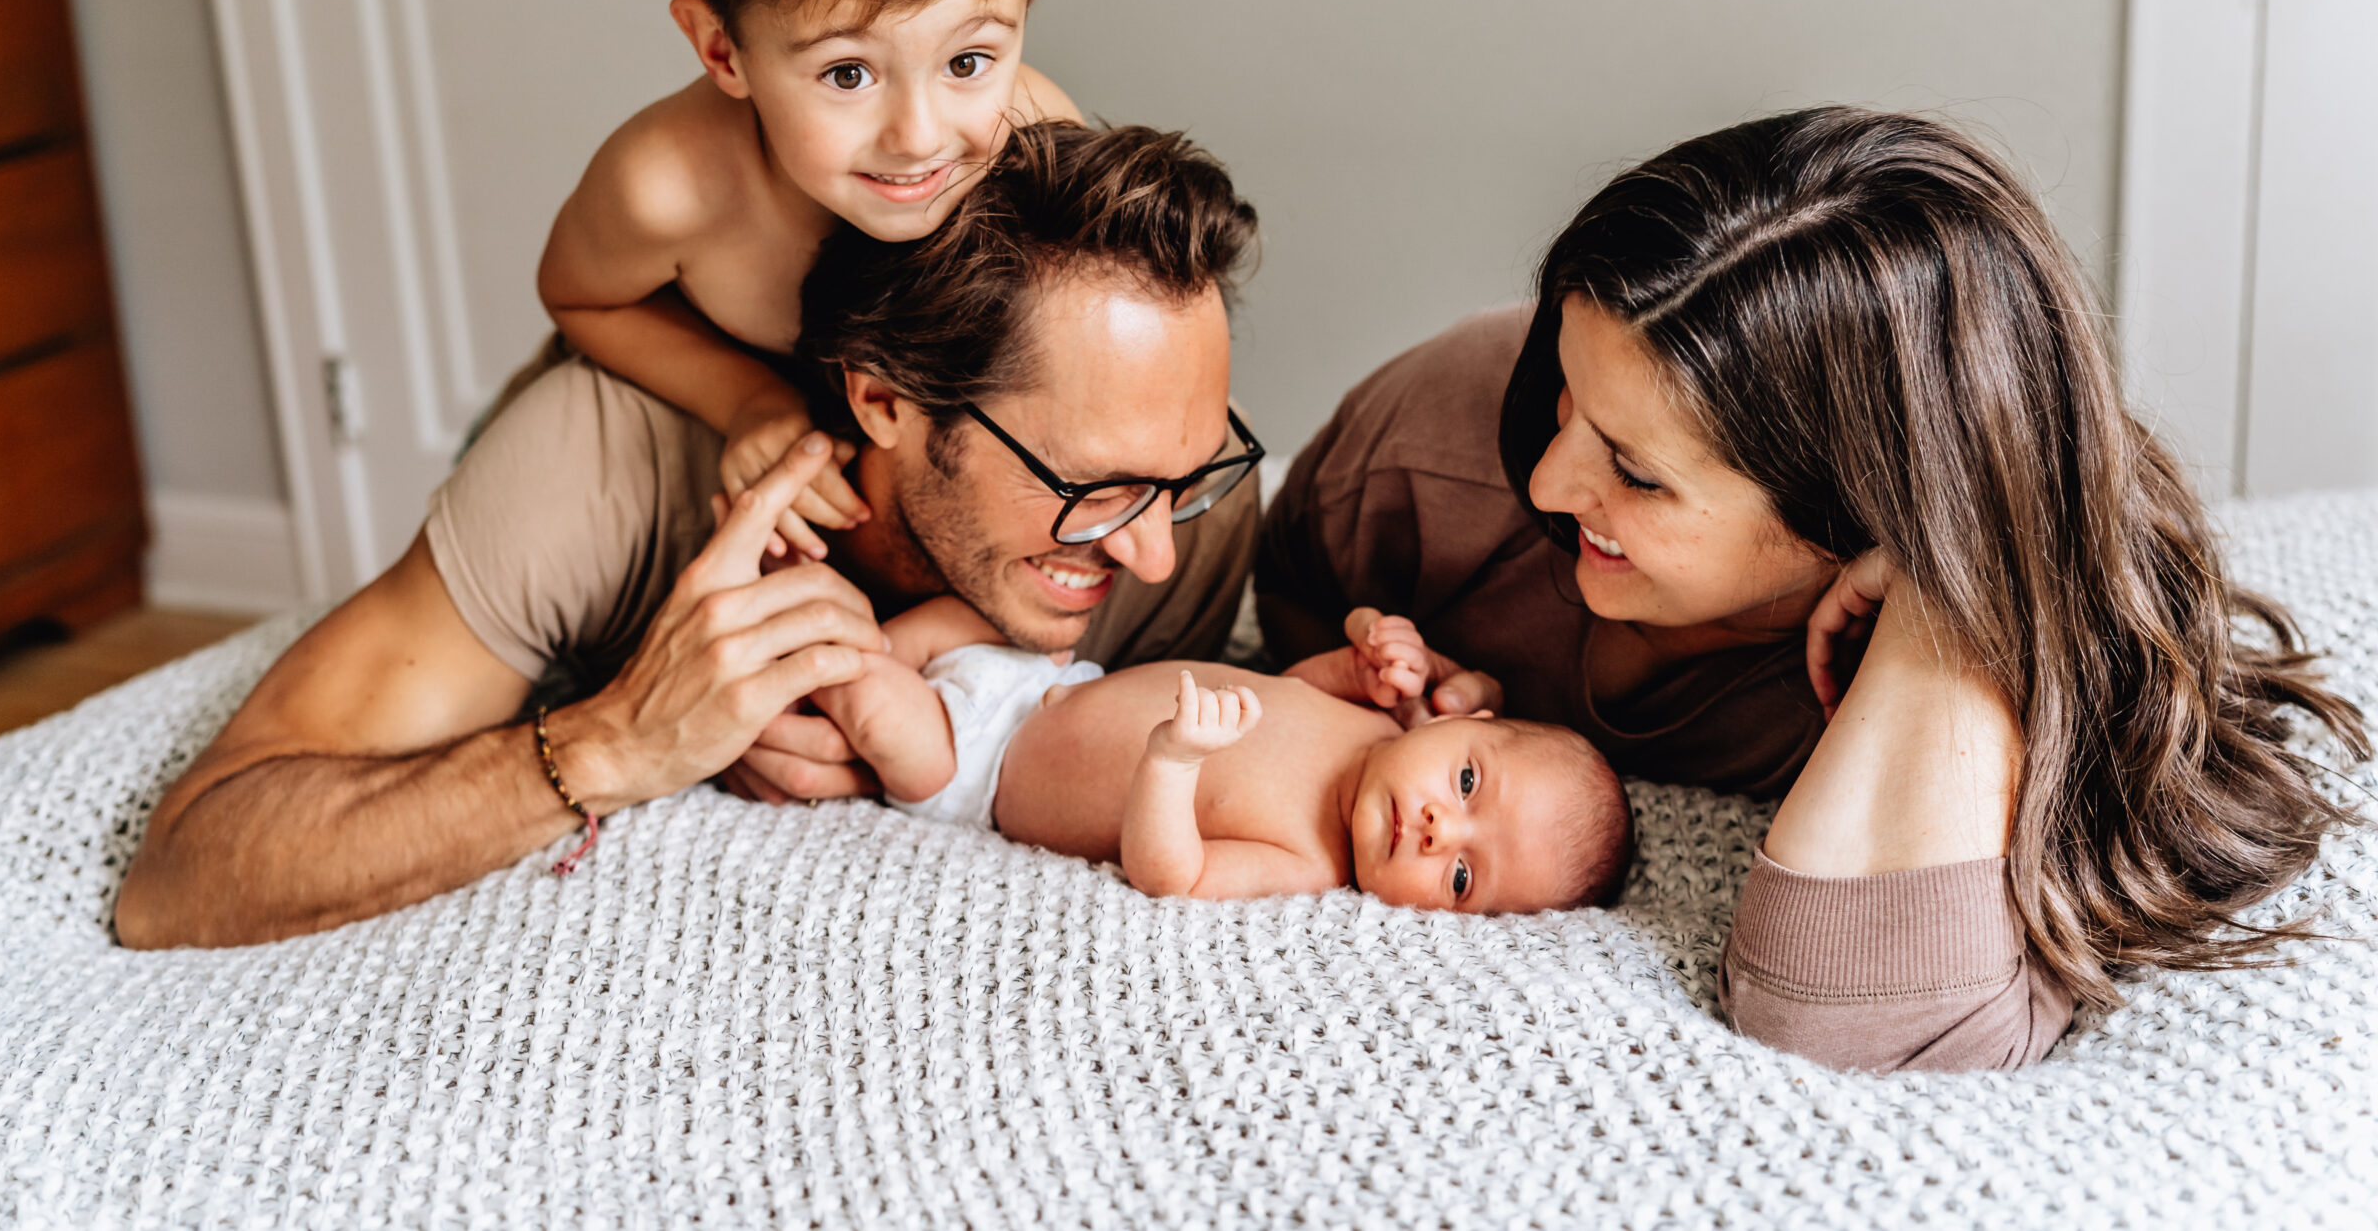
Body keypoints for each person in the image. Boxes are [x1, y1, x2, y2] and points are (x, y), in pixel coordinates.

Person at [1257, 106, 2368, 1071]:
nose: (1550, 480)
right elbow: (1291, 609)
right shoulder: (1424, 462)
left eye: (1636, 474)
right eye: (1565, 399)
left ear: (1856, 513)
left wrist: (1944, 604)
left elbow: (1857, 1025)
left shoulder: (1982, 667)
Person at [115, 123, 1262, 949]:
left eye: (1186, 476)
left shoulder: (1193, 530)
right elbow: (184, 870)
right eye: (1089, 487)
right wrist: (627, 736)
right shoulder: (588, 470)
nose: (1152, 554)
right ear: (882, 403)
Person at [533, 0, 1080, 564]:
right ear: (724, 52)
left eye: (967, 62)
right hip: (677, 393)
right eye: (849, 73)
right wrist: (749, 401)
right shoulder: (666, 185)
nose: (921, 135)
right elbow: (579, 298)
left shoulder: (1035, 144)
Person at [809, 594, 1630, 912]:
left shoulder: (1306, 859)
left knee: (874, 702)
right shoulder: (1376, 719)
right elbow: (1287, 685)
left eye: (1460, 876)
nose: (1434, 827)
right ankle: (835, 616)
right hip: (1046, 677)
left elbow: (1174, 874)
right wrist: (1368, 654)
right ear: (1460, 717)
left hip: (979, 766)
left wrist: (1171, 762)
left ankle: (799, 642)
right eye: (1464, 782)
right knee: (946, 618)